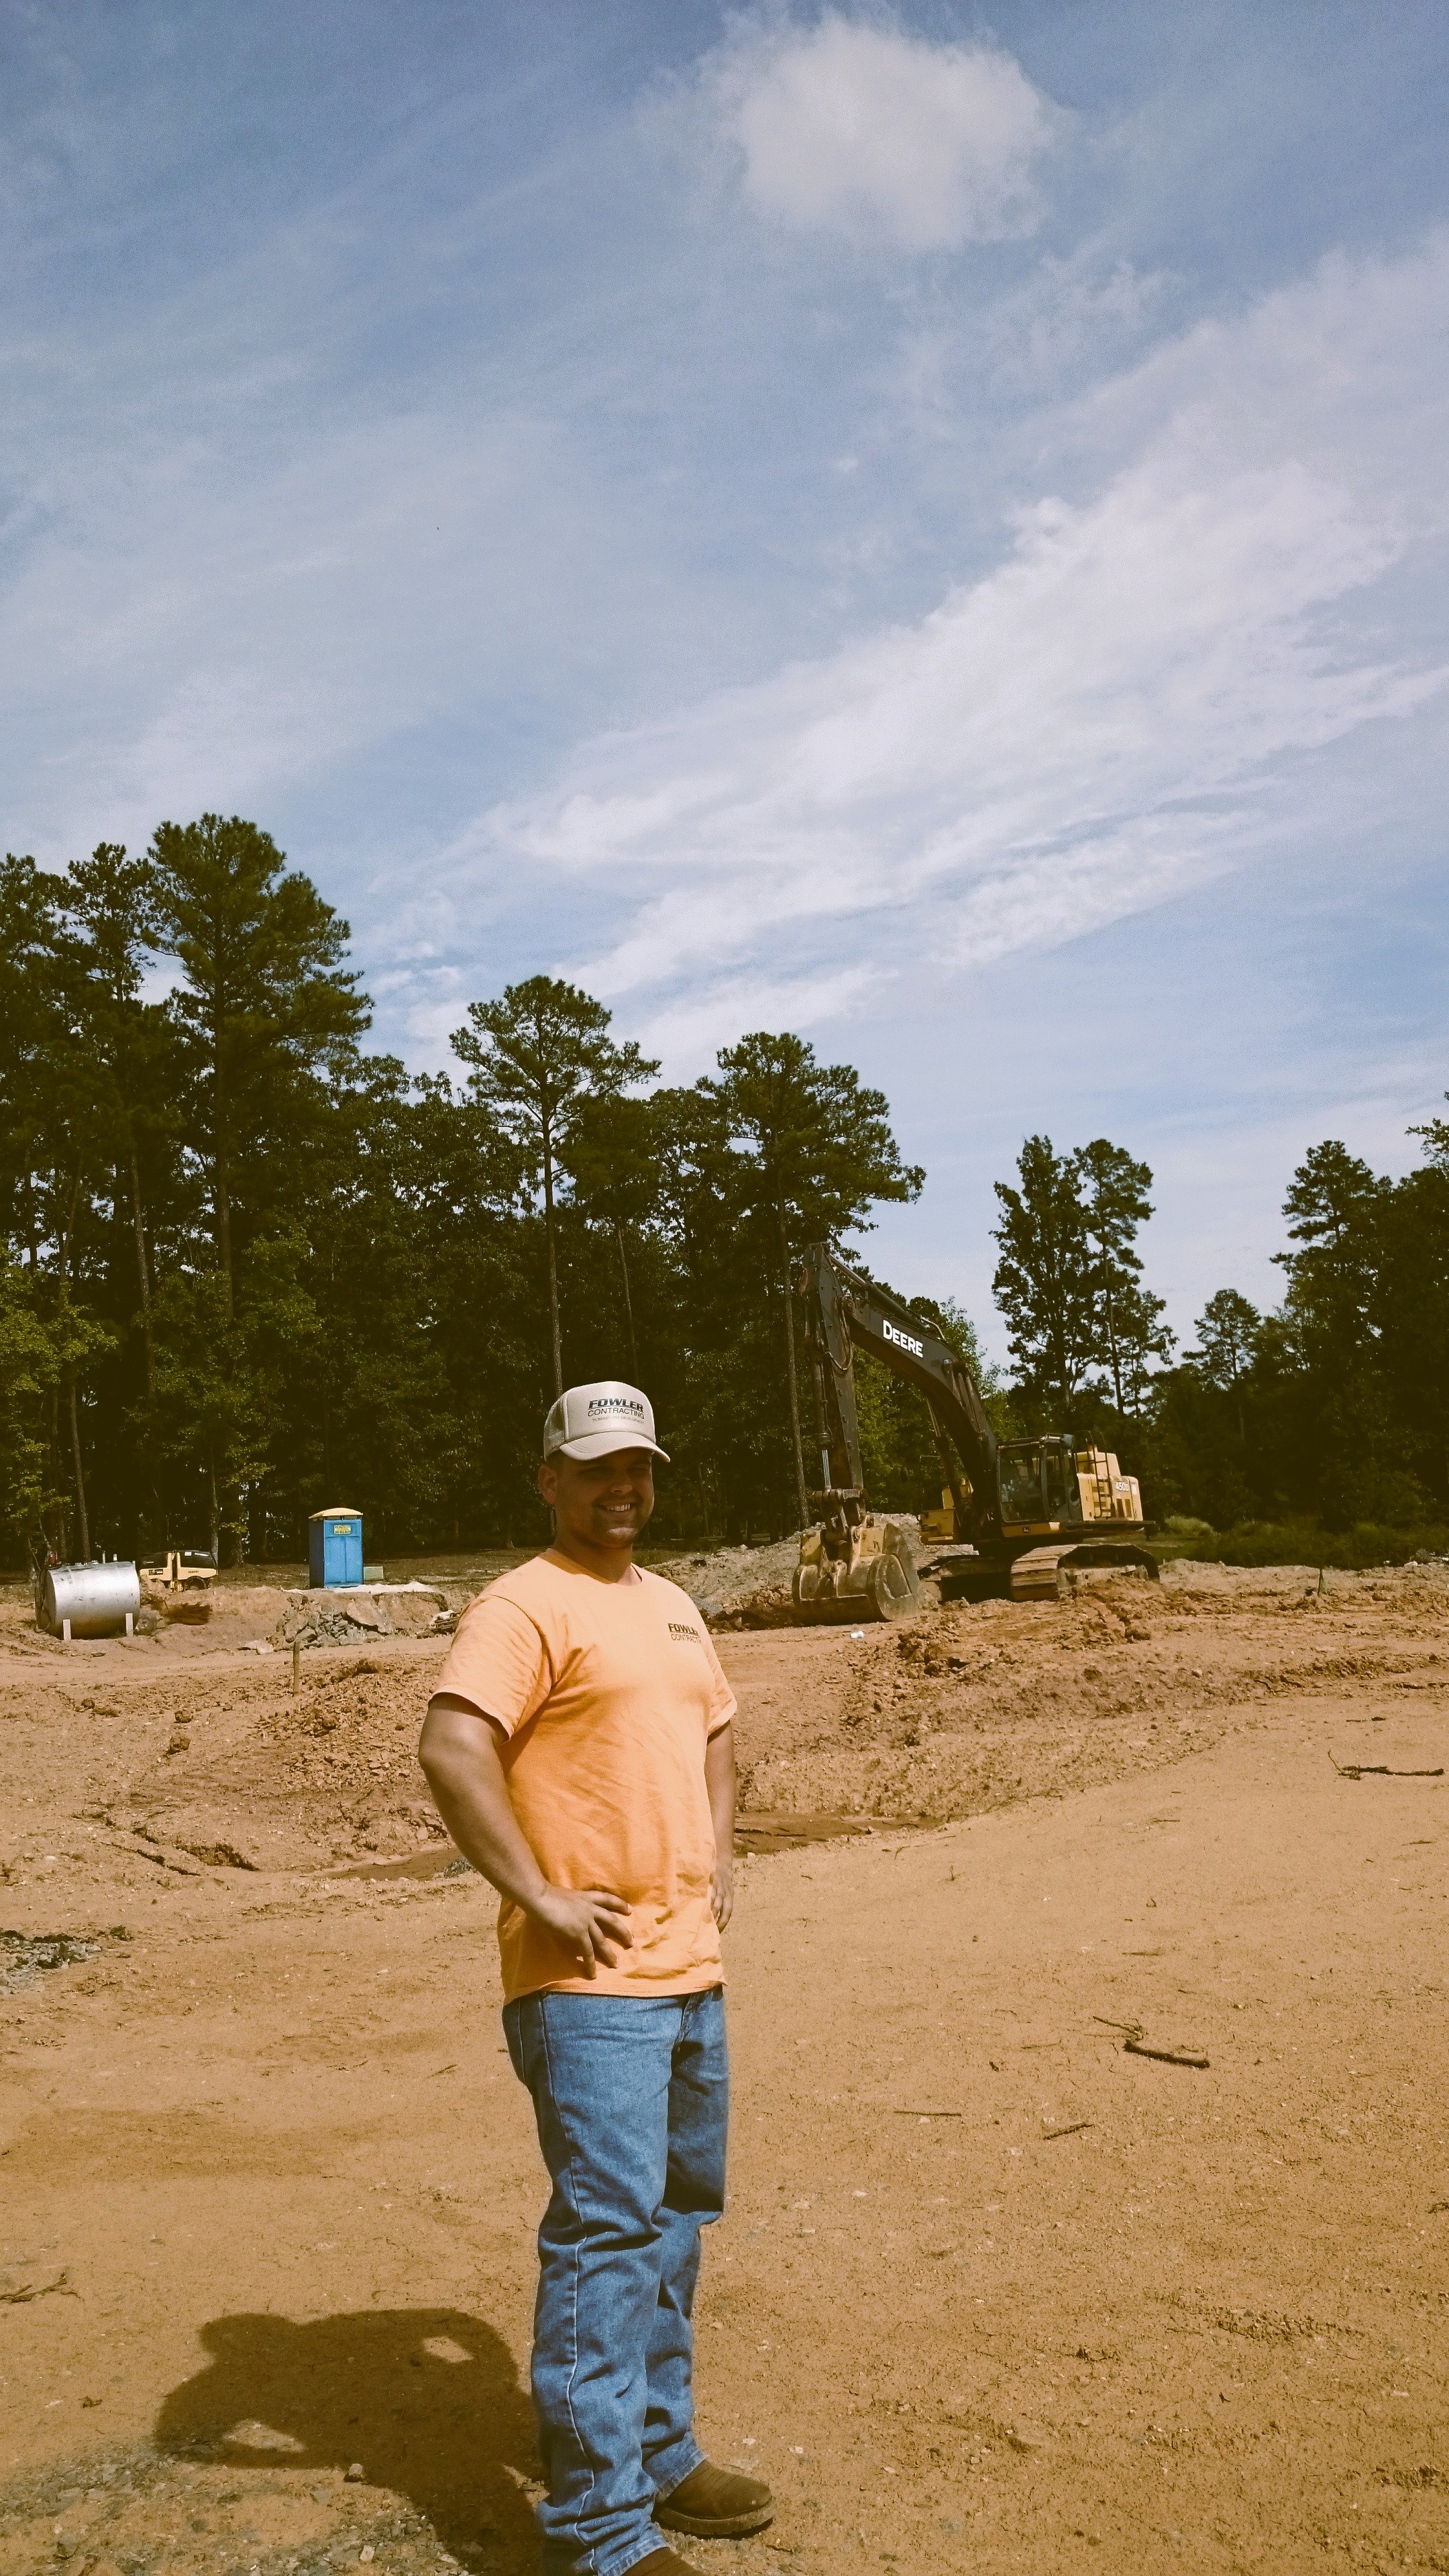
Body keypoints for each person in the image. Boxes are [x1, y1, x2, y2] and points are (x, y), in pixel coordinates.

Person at [419, 1379, 772, 2576]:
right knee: (609, 2236)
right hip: (585, 1986)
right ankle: (601, 2531)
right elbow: (453, 1746)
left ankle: (661, 2456)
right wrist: (540, 1893)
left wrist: (720, 1850)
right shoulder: (522, 1605)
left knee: (675, 2221)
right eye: (598, 1468)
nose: (623, 1487)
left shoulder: (672, 1606)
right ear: (550, 1479)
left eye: (639, 1468)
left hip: (688, 1973)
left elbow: (716, 1730)